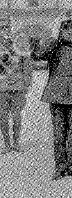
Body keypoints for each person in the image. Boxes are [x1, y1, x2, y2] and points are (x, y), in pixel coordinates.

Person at [30, 13, 72, 180]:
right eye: (64, 28)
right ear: (59, 30)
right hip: (57, 93)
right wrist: (53, 37)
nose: (68, 32)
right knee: (59, 134)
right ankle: (60, 166)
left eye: (70, 28)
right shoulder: (53, 47)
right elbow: (38, 55)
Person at [0, 16, 33, 154]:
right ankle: (7, 143)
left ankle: (16, 143)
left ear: (11, 28)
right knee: (2, 116)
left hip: (17, 86)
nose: (4, 30)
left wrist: (27, 83)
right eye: (1, 28)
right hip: (1, 86)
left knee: (16, 115)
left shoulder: (19, 44)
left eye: (6, 27)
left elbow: (27, 64)